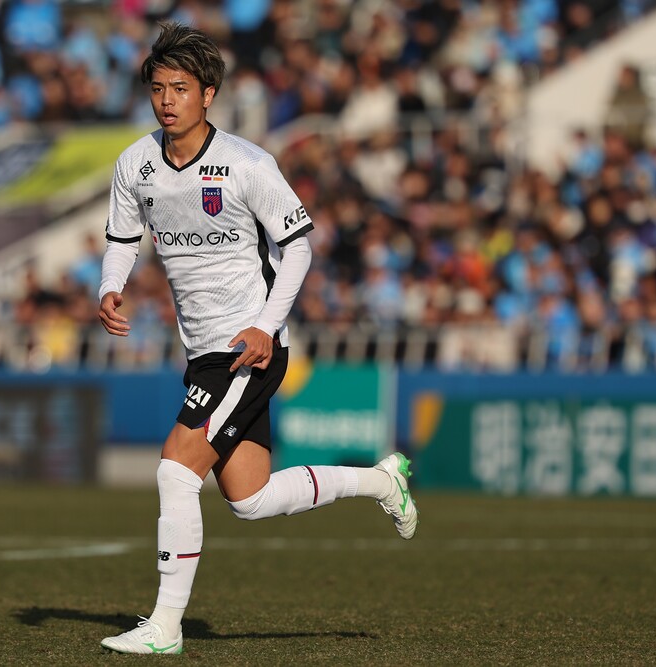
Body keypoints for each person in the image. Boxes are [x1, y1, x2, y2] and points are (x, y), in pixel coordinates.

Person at [96, 22, 419, 655]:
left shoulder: (247, 164)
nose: (167, 100)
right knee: (250, 497)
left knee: (175, 469)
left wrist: (266, 327)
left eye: (180, 88)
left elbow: (298, 247)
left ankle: (165, 627)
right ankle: (383, 482)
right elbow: (122, 237)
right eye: (158, 89)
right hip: (203, 350)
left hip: (247, 347)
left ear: (208, 94)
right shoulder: (135, 164)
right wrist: (111, 285)